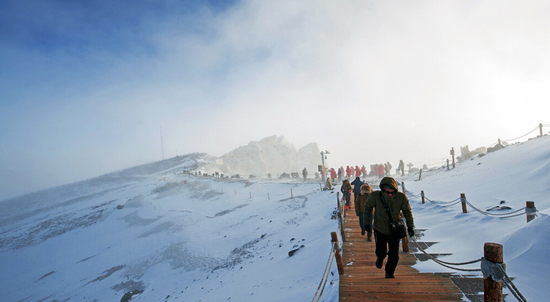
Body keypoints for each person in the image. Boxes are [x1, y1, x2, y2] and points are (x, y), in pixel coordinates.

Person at [364, 177, 414, 278]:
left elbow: (407, 212)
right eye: (388, 192)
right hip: (380, 228)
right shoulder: (375, 196)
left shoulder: (401, 197)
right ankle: (380, 259)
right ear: (383, 190)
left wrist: (410, 226)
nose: (390, 194)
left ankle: (389, 273)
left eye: (392, 192)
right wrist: (367, 224)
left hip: (394, 229)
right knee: (381, 252)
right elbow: (368, 208)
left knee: (394, 255)